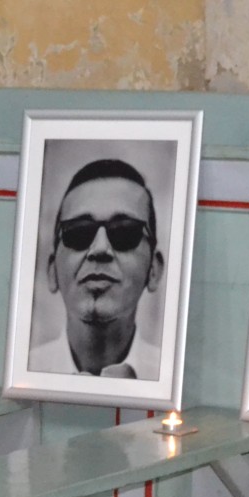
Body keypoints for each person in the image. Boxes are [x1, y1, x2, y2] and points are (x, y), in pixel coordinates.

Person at [29, 159, 164, 379]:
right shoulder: (26, 372)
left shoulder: (170, 377)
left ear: (154, 270)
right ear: (52, 271)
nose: (100, 249)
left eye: (124, 232)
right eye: (79, 232)